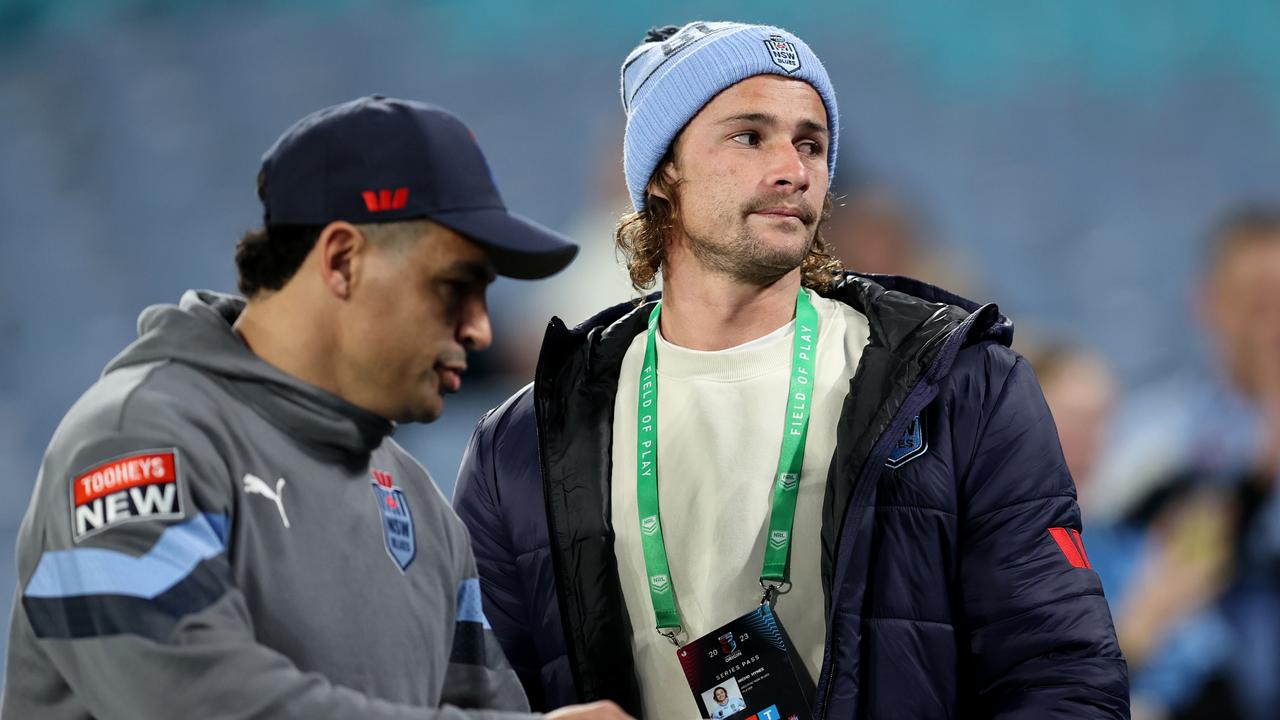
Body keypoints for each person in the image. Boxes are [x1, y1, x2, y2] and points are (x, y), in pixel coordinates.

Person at [453, 22, 1129, 718]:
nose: (793, 169)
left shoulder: (962, 390)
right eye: (750, 137)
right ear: (662, 173)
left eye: (810, 143)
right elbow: (468, 697)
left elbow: (1065, 680)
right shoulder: (526, 442)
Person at [2, 95, 630, 720]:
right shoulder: (135, 441)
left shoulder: (418, 503)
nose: (479, 330)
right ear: (341, 261)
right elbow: (190, 703)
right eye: (453, 286)